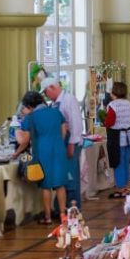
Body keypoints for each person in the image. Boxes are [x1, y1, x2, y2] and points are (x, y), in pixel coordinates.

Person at [15, 90, 67, 225]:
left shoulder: (31, 118)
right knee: (60, 184)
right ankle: (63, 216)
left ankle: (47, 217)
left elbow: (24, 140)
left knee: (46, 186)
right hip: (59, 149)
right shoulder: (56, 112)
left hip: (43, 152)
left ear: (29, 106)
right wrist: (57, 143)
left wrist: (17, 132)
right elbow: (63, 131)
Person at [42, 77, 84, 209]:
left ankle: (74, 209)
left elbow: (76, 123)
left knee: (71, 177)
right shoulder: (54, 104)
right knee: (63, 176)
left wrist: (71, 144)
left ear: (52, 88)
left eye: (46, 92)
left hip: (70, 142)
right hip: (61, 144)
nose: (46, 95)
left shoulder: (69, 100)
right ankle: (62, 207)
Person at [104, 80, 130, 198]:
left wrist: (104, 121)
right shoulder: (128, 104)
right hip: (129, 136)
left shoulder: (113, 105)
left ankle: (121, 188)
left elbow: (110, 122)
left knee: (119, 163)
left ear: (114, 92)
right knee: (126, 162)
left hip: (117, 137)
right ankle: (126, 186)